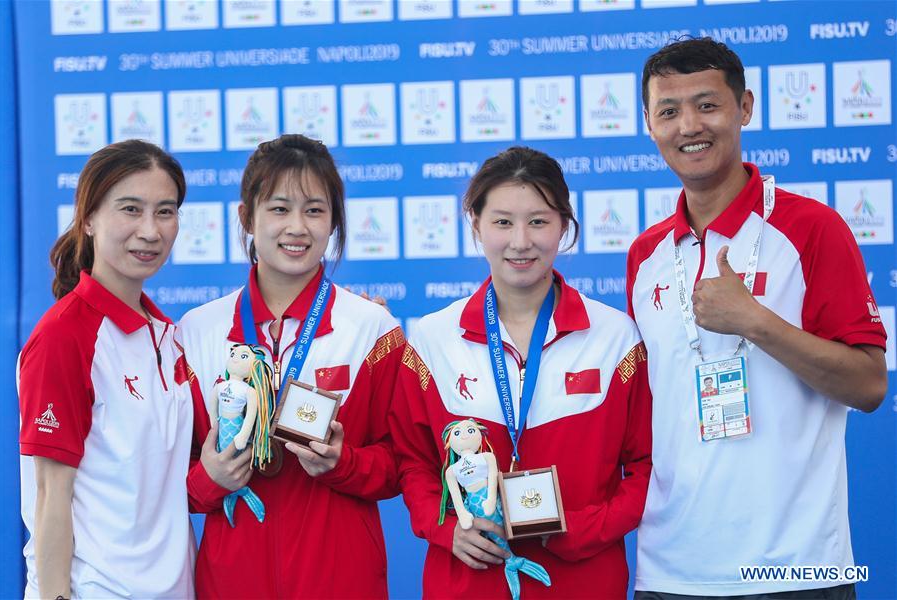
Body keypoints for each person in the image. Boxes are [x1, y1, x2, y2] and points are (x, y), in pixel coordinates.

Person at [628, 37, 888, 599]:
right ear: (649, 124)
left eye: (707, 104)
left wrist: (756, 321)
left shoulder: (811, 229)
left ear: (744, 108)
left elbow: (868, 386)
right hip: (672, 569)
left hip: (796, 568)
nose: (688, 126)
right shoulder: (646, 254)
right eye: (668, 112)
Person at [391, 146, 652, 598]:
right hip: (467, 580)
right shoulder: (434, 339)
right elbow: (413, 462)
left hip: (583, 580)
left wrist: (579, 531)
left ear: (564, 227)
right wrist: (445, 529)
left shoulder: (615, 339)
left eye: (538, 221)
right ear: (475, 225)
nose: (520, 241)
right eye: (502, 222)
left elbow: (648, 467)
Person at [179, 134, 404, 598]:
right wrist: (208, 481)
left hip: (342, 580)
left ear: (334, 221)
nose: (297, 227)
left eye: (315, 210)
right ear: (246, 217)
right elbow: (167, 476)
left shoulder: (373, 329)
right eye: (279, 209)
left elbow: (401, 464)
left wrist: (344, 464)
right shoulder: (197, 331)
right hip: (231, 581)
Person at [17, 140, 196, 599]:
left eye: (165, 211)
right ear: (89, 218)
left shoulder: (167, 336)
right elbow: (49, 495)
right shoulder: (64, 336)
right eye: (130, 209)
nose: (150, 231)